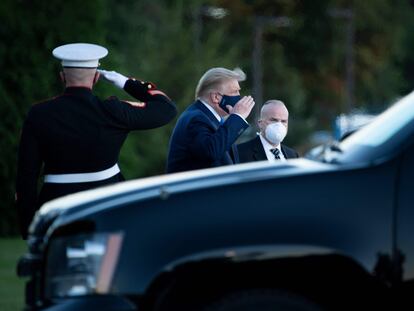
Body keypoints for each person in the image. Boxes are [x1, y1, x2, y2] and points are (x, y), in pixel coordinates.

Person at [15, 43, 177, 238]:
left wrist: (29, 226)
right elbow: (166, 109)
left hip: (56, 205)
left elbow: (26, 175)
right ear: (97, 77)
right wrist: (125, 82)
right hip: (107, 203)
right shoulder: (113, 111)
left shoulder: (39, 114)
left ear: (62, 77)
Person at [166, 67, 255, 173]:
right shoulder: (196, 119)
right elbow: (211, 151)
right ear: (216, 97)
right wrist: (237, 117)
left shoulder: (209, 118)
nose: (239, 97)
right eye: (234, 92)